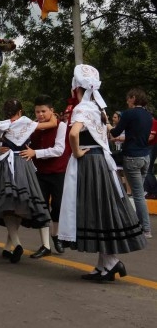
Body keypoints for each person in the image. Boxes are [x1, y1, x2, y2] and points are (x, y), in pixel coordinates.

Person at [59, 65, 146, 282]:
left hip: (89, 162)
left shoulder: (82, 108)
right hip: (102, 162)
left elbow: (74, 133)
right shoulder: (99, 108)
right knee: (102, 210)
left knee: (95, 210)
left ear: (76, 88)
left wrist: (77, 151)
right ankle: (104, 265)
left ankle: (110, 263)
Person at [0, 99, 56, 264]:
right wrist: (53, 114)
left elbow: (3, 145)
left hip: (3, 164)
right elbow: (51, 123)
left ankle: (10, 245)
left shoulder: (2, 125)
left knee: (8, 206)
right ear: (20, 111)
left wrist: (0, 148)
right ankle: (18, 244)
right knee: (19, 205)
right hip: (21, 164)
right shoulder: (25, 123)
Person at [20, 95, 71, 258]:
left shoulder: (61, 126)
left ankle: (56, 236)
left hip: (59, 172)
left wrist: (35, 152)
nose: (40, 114)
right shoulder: (34, 127)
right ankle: (45, 245)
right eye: (37, 111)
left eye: (43, 111)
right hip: (40, 173)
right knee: (41, 208)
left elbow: (59, 149)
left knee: (57, 206)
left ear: (51, 110)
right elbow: (26, 144)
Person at [108, 88, 153, 239]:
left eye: (128, 99)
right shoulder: (148, 115)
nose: (127, 102)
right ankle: (139, 224)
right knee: (139, 194)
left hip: (132, 157)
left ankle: (145, 229)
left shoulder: (129, 114)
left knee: (138, 195)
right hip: (145, 156)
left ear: (133, 98)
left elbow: (115, 132)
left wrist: (107, 124)